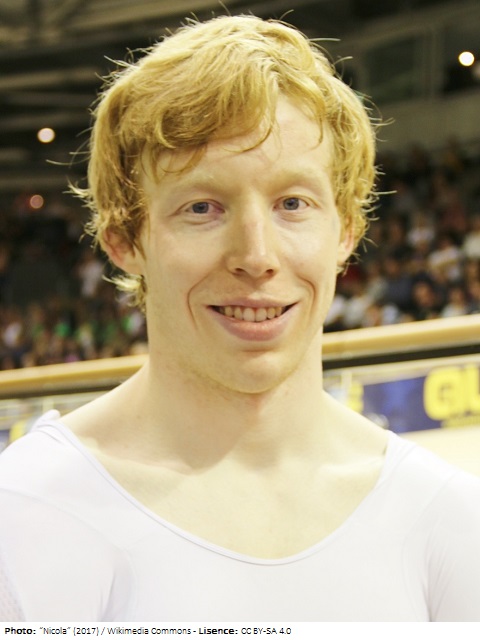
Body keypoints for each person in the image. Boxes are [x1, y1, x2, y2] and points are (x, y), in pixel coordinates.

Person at [1, 14, 480, 622]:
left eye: (293, 203)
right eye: (203, 208)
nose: (256, 256)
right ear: (124, 239)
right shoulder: (25, 514)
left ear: (347, 230)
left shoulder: (450, 520)